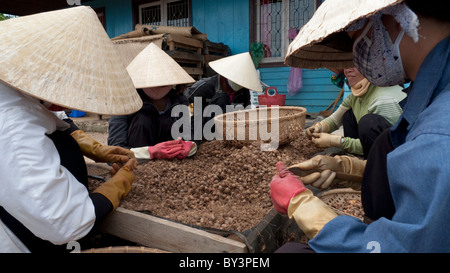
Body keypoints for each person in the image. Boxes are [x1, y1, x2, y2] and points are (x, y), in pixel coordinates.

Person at [271, 0, 450, 252]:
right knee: (384, 143)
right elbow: (408, 168)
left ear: (397, 18)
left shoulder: (439, 134)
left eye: (356, 36)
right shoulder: (430, 93)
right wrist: (342, 168)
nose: (356, 55)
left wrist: (302, 205)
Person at [0, 6, 142, 253]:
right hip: (17, 237)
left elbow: (56, 118)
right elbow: (64, 223)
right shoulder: (12, 124)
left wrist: (93, 148)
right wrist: (116, 186)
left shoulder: (19, 86)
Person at [107, 43, 197, 160]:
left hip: (174, 166)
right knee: (143, 120)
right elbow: (114, 151)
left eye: (162, 82)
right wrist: (150, 152)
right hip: (137, 166)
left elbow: (193, 135)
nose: (157, 86)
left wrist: (190, 146)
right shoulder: (124, 103)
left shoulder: (180, 102)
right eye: (151, 82)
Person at [307, 67, 405, 158]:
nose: (348, 70)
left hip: (396, 152)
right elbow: (335, 120)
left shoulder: (383, 100)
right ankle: (356, 157)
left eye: (355, 65)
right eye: (346, 66)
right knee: (348, 115)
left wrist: (335, 141)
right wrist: (320, 127)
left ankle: (369, 163)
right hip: (375, 144)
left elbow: (394, 143)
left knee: (368, 122)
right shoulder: (355, 97)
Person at [184, 52, 263, 137]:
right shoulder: (205, 86)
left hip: (228, 126)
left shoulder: (243, 91)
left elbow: (246, 111)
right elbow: (186, 103)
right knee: (222, 98)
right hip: (200, 126)